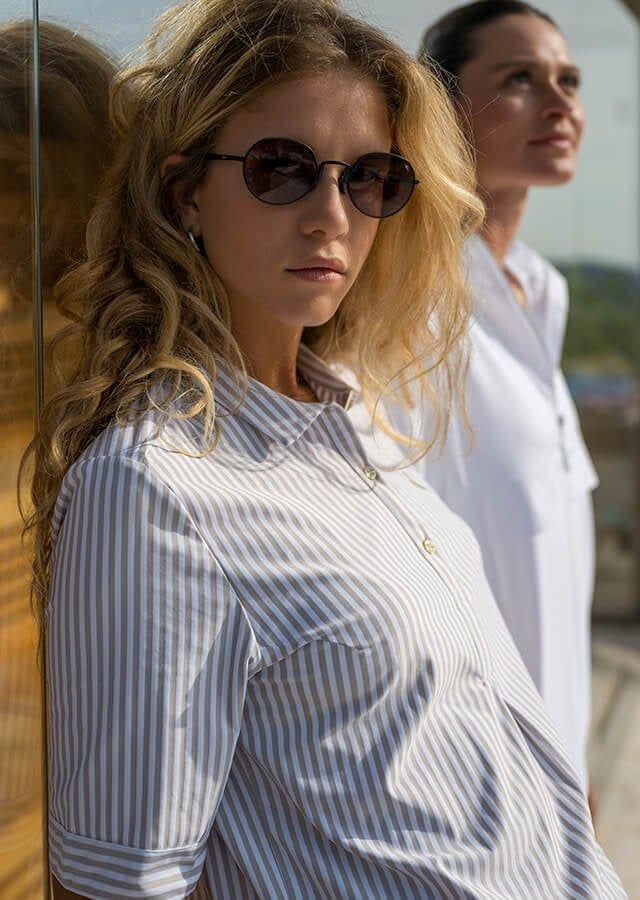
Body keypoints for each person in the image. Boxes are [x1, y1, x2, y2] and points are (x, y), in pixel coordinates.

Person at [20, 1, 624, 897]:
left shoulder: (368, 433)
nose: (330, 215)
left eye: (371, 178)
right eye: (281, 170)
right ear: (187, 191)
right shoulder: (157, 489)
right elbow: (123, 881)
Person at [386, 0, 598, 796]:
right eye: (520, 79)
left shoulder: (542, 292)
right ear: (442, 107)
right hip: (472, 794)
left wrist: (572, 763)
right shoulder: (407, 311)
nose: (561, 103)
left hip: (558, 783)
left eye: (569, 80)